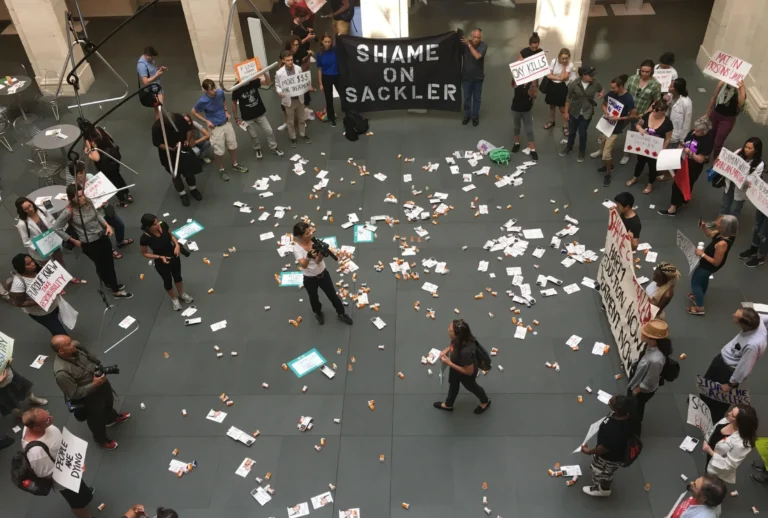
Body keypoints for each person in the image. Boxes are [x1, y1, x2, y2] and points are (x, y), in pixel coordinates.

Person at [51, 335, 130, 449]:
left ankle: (111, 418)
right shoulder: (62, 373)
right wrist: (95, 384)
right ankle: (101, 440)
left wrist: (99, 368)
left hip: (102, 385)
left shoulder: (77, 347)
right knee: (96, 419)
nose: (73, 343)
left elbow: (89, 356)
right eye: (69, 344)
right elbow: (74, 394)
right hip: (89, 398)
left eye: (70, 341)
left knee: (108, 403)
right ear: (61, 351)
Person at [54, 185, 132, 298]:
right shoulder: (69, 211)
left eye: (83, 195)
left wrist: (107, 225)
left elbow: (97, 215)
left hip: (102, 236)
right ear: (72, 198)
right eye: (79, 196)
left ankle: (110, 283)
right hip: (89, 243)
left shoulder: (88, 201)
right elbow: (56, 228)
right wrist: (73, 240)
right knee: (102, 265)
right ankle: (116, 291)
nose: (83, 198)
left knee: (108, 264)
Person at [21, 409, 94, 518]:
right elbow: (46, 474)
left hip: (68, 464)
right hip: (65, 481)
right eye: (47, 420)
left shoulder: (32, 425)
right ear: (36, 428)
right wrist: (72, 467)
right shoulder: (37, 453)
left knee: (81, 490)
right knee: (77, 504)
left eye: (48, 414)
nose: (51, 418)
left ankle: (85, 494)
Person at [702, 308, 767, 422]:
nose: (733, 315)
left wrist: (730, 384)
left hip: (727, 370)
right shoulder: (759, 320)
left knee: (720, 398)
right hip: (722, 360)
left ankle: (713, 419)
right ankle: (702, 404)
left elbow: (744, 367)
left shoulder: (752, 345)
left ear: (744, 323)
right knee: (707, 383)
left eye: (736, 317)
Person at [292, 221, 352, 325]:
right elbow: (304, 265)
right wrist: (308, 256)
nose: (310, 234)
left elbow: (317, 261)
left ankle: (341, 313)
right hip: (309, 278)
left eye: (310, 231)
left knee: (332, 295)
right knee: (313, 298)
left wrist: (321, 254)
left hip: (323, 274)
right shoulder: (297, 249)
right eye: (307, 233)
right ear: (300, 236)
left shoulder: (314, 242)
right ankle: (318, 313)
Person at [70, 161, 133, 258]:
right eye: (80, 173)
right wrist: (94, 205)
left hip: (106, 208)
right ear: (74, 175)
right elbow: (78, 205)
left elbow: (102, 189)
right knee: (104, 235)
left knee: (120, 225)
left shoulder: (91, 176)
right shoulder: (74, 188)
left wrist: (105, 197)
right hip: (95, 215)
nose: (84, 174)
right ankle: (110, 250)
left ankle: (120, 241)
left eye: (84, 171)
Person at [15, 197, 83, 283]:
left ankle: (68, 277)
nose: (30, 209)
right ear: (22, 211)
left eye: (30, 205)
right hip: (40, 249)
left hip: (52, 242)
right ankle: (57, 283)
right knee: (49, 267)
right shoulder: (22, 224)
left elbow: (53, 222)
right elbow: (26, 242)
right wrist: (39, 247)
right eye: (26, 209)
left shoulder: (41, 210)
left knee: (60, 261)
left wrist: (56, 233)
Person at [580, 395, 637, 497]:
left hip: (609, 458)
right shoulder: (629, 416)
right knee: (606, 471)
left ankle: (603, 489)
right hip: (619, 450)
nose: (609, 400)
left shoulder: (615, 431)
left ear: (618, 410)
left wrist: (588, 451)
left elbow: (603, 449)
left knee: (601, 472)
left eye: (611, 401)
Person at [191, 79, 248, 180]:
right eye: (211, 90)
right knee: (219, 151)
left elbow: (223, 100)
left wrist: (226, 111)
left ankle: (235, 164)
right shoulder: (202, 101)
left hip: (226, 123)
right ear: (206, 90)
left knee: (232, 145)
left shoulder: (220, 92)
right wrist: (206, 121)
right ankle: (221, 170)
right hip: (215, 128)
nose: (214, 91)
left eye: (214, 88)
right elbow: (193, 111)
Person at [658, 116, 715, 216]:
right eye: (694, 129)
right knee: (678, 183)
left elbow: (701, 159)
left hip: (694, 166)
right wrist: (680, 148)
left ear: (704, 132)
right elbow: (684, 142)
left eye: (697, 131)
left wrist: (690, 153)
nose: (694, 132)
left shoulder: (708, 141)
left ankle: (673, 208)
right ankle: (680, 200)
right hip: (683, 161)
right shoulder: (692, 132)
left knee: (685, 183)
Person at [433, 319, 491, 414]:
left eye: (450, 331)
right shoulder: (461, 337)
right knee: (453, 385)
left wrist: (449, 363)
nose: (448, 330)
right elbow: (453, 344)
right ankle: (449, 404)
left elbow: (469, 371)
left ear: (457, 335)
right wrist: (446, 350)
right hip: (456, 365)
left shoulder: (465, 353)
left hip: (466, 372)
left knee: (471, 386)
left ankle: (485, 401)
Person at [10, 254, 76, 336]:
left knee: (58, 320)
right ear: (21, 268)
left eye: (32, 261)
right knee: (58, 331)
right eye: (28, 264)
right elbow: (19, 303)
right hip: (42, 313)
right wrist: (39, 301)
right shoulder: (18, 283)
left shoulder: (38, 270)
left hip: (54, 305)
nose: (33, 264)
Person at [140, 214, 194, 311]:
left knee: (178, 277)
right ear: (148, 226)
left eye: (157, 222)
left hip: (174, 256)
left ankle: (181, 294)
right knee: (167, 281)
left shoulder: (163, 225)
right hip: (162, 262)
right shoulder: (145, 238)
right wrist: (160, 257)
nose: (158, 225)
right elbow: (145, 253)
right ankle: (174, 299)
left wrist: (176, 245)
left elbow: (171, 236)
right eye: (155, 224)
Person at [687, 215, 738, 316]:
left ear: (724, 227)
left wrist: (702, 254)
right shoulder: (724, 233)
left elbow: (716, 262)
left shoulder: (722, 244)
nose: (716, 223)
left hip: (708, 265)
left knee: (695, 283)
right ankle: (699, 295)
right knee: (703, 279)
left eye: (719, 223)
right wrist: (704, 227)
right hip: (708, 263)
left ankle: (700, 308)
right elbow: (710, 234)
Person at [627, 320, 670, 433]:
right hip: (637, 382)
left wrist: (636, 391)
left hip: (641, 390)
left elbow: (650, 380)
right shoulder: (650, 348)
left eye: (645, 334)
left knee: (637, 408)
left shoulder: (656, 360)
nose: (641, 334)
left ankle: (634, 430)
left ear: (653, 339)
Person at [592, 74, 636, 187]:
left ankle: (608, 173)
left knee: (606, 154)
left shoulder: (628, 98)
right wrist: (606, 111)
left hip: (615, 129)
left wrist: (619, 118)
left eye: (614, 88)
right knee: (602, 145)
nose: (611, 90)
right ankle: (609, 166)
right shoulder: (612, 94)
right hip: (606, 125)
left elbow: (633, 115)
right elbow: (603, 105)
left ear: (621, 86)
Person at [153, 110, 204, 201]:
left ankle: (193, 189)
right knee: (175, 176)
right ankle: (182, 194)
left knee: (189, 173)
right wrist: (170, 148)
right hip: (168, 155)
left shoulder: (179, 118)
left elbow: (188, 130)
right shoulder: (157, 127)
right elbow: (157, 143)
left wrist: (187, 140)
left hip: (183, 149)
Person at [625, 99, 673, 194]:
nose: (654, 111)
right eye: (654, 108)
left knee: (652, 166)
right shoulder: (648, 115)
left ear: (664, 111)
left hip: (655, 148)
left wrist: (663, 149)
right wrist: (640, 130)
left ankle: (650, 184)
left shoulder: (668, 123)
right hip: (643, 145)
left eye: (657, 110)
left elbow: (668, 138)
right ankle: (635, 177)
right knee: (640, 162)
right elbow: (638, 125)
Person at [620, 60, 662, 166]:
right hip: (627, 112)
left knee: (633, 135)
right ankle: (602, 149)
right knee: (615, 128)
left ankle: (626, 154)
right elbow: (625, 93)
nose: (644, 74)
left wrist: (646, 113)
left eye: (647, 72)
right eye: (642, 71)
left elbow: (656, 101)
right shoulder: (632, 79)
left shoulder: (655, 85)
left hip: (640, 115)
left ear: (652, 71)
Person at [704, 404, 757, 487]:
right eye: (731, 411)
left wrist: (710, 452)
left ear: (740, 422)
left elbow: (729, 465)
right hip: (712, 452)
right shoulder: (728, 420)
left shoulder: (742, 444)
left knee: (713, 482)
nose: (728, 413)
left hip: (719, 465)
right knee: (707, 469)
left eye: (733, 415)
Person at [232, 74, 284, 158]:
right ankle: (257, 149)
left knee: (269, 131)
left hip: (259, 114)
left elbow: (268, 82)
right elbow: (234, 103)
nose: (248, 81)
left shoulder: (253, 81)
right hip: (248, 117)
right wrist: (236, 117)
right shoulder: (236, 88)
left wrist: (264, 72)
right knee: (253, 135)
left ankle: (274, 147)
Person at [560, 66, 603, 162]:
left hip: (587, 112)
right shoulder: (573, 84)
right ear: (584, 75)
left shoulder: (595, 83)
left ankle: (582, 151)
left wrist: (601, 93)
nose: (593, 77)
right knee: (572, 132)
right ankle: (569, 147)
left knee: (582, 133)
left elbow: (601, 90)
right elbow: (568, 99)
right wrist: (566, 112)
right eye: (590, 75)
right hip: (574, 112)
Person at [84, 125, 132, 206]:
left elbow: (96, 158)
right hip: (113, 158)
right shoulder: (99, 129)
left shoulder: (90, 140)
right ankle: (127, 194)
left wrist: (87, 153)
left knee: (112, 182)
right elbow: (110, 138)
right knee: (118, 176)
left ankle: (122, 200)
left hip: (104, 165)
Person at [716, 137, 764, 219]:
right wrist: (720, 160)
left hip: (741, 190)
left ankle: (730, 225)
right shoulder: (739, 152)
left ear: (756, 150)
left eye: (750, 148)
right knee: (725, 205)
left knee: (735, 210)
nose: (746, 150)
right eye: (746, 147)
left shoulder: (759, 165)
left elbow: (751, 181)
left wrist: (741, 176)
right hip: (730, 185)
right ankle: (719, 222)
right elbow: (728, 161)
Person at [276, 50, 312, 149]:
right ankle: (293, 137)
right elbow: (277, 85)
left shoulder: (298, 68)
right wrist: (280, 92)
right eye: (288, 60)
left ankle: (302, 134)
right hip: (289, 101)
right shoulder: (279, 73)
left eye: (291, 60)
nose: (290, 62)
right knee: (290, 121)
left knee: (301, 119)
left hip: (299, 99)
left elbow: (302, 80)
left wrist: (307, 85)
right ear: (283, 60)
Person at [707, 80, 747, 159]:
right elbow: (714, 97)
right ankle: (706, 154)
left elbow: (741, 104)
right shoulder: (723, 83)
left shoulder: (741, 87)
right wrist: (707, 113)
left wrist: (738, 89)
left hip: (727, 119)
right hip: (715, 114)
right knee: (710, 136)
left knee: (718, 142)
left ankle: (716, 159)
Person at [460, 28, 488, 127]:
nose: (476, 39)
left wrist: (469, 44)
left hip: (478, 78)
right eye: (474, 37)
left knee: (477, 98)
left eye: (478, 37)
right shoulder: (464, 44)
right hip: (466, 77)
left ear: (481, 37)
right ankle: (467, 115)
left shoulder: (483, 45)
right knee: (467, 97)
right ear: (471, 36)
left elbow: (477, 56)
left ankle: (475, 116)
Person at [543, 48, 573, 135]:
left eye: (566, 58)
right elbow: (548, 75)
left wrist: (564, 66)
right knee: (552, 106)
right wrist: (559, 78)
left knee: (563, 109)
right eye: (562, 58)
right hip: (552, 86)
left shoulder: (570, 65)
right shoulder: (554, 61)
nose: (564, 60)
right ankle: (552, 121)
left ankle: (565, 126)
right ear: (559, 57)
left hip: (562, 87)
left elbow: (564, 77)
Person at [510, 78, 537, 161]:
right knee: (516, 127)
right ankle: (516, 143)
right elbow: (513, 85)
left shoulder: (532, 81)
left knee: (529, 130)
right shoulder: (517, 79)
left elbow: (535, 96)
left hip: (526, 110)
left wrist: (531, 93)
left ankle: (533, 149)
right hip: (516, 108)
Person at [317, 34, 341, 127]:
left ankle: (348, 113)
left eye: (329, 42)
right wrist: (320, 83)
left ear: (331, 42)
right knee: (329, 99)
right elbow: (319, 69)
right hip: (326, 78)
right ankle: (332, 118)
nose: (327, 44)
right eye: (325, 42)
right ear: (322, 42)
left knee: (343, 95)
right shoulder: (319, 54)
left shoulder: (335, 50)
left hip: (337, 76)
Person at [667, 78, 693, 148]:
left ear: (676, 90)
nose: (668, 87)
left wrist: (683, 140)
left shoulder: (686, 102)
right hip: (665, 132)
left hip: (675, 136)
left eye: (671, 86)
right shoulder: (669, 96)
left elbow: (687, 123)